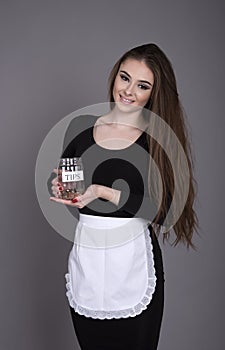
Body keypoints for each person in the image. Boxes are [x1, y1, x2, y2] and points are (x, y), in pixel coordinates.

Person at [50, 43, 198, 350]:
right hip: (88, 264)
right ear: (115, 77)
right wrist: (64, 190)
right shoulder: (80, 130)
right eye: (124, 77)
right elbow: (72, 188)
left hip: (134, 265)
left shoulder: (156, 140)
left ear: (154, 93)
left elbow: (164, 210)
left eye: (142, 85)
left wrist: (104, 192)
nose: (128, 90)